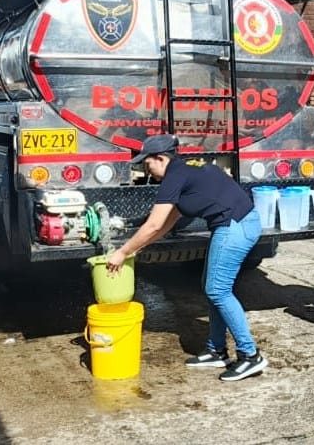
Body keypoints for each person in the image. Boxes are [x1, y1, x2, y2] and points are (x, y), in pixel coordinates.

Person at [106, 134, 268, 381]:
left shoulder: (175, 176)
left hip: (235, 225)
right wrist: (137, 247)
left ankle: (250, 356)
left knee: (218, 290)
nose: (145, 169)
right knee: (212, 288)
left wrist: (123, 252)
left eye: (146, 163)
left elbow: (153, 225)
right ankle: (217, 350)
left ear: (161, 158)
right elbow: (165, 224)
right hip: (237, 223)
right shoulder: (186, 171)